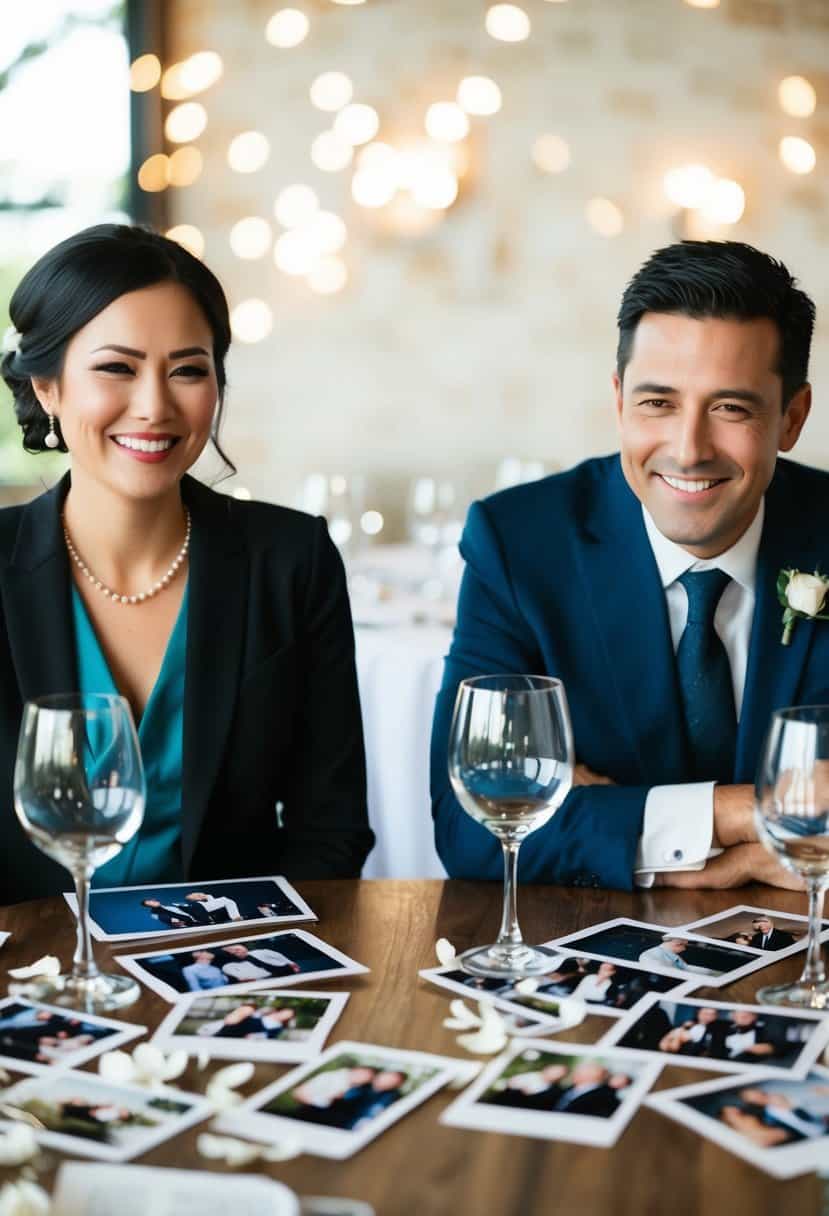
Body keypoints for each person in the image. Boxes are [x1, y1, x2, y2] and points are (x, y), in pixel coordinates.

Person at [431, 240, 827, 891]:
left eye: (730, 408)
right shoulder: (519, 544)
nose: (688, 449)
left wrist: (611, 815)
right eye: (657, 403)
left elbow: (532, 821)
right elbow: (472, 825)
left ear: (790, 417)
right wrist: (739, 818)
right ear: (618, 400)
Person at [0, 224, 373, 905]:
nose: (155, 406)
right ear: (48, 386)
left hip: (232, 964)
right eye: (117, 367)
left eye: (188, 370)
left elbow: (331, 829)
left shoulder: (292, 560)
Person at [219, 942, 301, 981]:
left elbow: (278, 956)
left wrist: (292, 964)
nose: (235, 952)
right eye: (231, 952)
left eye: (237, 949)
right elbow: (242, 978)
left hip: (284, 969)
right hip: (268, 978)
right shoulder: (231, 966)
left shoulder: (261, 952)